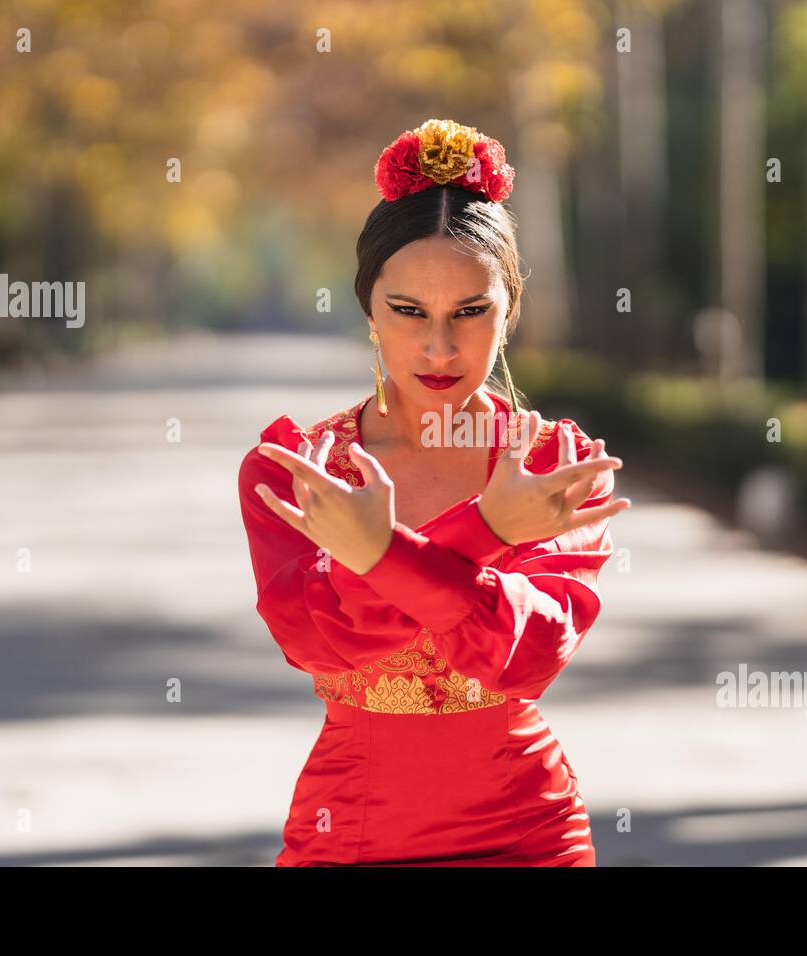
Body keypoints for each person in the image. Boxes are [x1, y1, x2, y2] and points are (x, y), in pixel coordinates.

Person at [237, 118, 631, 866]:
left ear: (509, 310)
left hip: (527, 834)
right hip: (349, 829)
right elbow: (318, 641)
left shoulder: (555, 463)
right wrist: (488, 528)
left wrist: (376, 553)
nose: (440, 348)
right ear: (368, 309)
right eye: (409, 312)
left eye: (470, 313)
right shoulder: (299, 468)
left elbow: (525, 658)